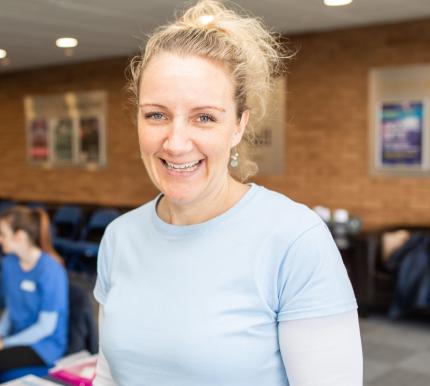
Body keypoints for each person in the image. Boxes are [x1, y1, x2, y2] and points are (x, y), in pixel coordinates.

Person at [92, 1, 362, 385]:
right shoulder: (119, 238)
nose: (176, 142)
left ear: (238, 126)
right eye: (157, 114)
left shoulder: (294, 239)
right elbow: (108, 376)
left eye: (204, 117)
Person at [0, 206, 68, 385]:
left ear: (19, 236)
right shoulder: (9, 264)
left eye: (2, 234)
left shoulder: (51, 270)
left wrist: (4, 344)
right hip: (17, 336)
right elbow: (11, 306)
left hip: (44, 345)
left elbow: (45, 328)